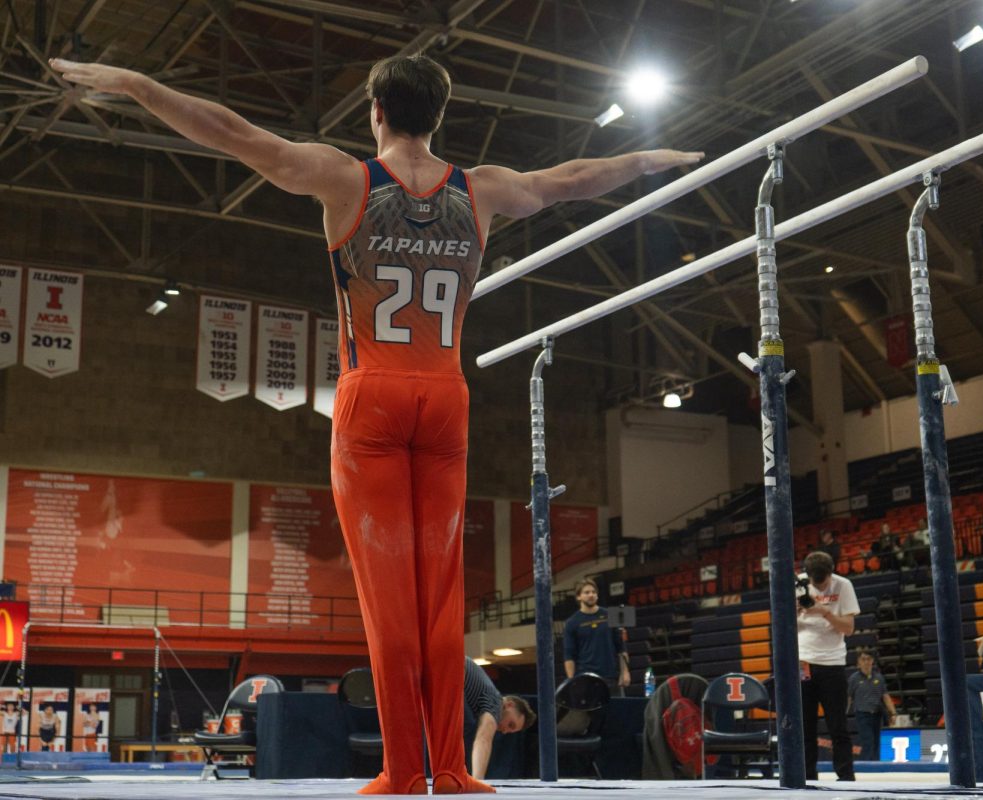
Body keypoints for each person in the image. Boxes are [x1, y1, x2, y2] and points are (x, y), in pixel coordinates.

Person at [49, 54, 700, 796]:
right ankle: (451, 769)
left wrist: (135, 84)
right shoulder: (482, 190)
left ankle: (403, 770)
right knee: (441, 592)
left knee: (388, 596)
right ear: (439, 115)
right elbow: (575, 179)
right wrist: (649, 156)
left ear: (375, 111)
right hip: (445, 396)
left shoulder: (344, 180)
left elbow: (230, 132)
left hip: (372, 398)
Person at [796, 551, 858, 781]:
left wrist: (825, 612)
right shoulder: (798, 583)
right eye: (816, 584)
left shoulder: (844, 586)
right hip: (804, 661)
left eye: (824, 583)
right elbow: (784, 626)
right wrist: (796, 608)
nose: (820, 588)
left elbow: (849, 628)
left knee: (838, 725)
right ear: (808, 576)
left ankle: (846, 776)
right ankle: (806, 776)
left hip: (832, 662)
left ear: (831, 573)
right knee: (805, 726)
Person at [560, 578, 629, 738]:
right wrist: (572, 681)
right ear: (579, 597)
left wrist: (625, 672)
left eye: (593, 592)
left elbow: (621, 647)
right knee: (590, 724)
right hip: (586, 681)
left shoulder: (612, 615)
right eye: (586, 592)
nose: (591, 595)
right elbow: (569, 655)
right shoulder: (572, 623)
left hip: (611, 677)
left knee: (617, 721)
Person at [463, 658, 534, 779]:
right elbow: (483, 739)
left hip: (443, 662)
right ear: (509, 704)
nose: (505, 731)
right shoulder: (496, 702)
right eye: (510, 724)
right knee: (466, 725)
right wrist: (478, 782)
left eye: (509, 731)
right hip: (448, 664)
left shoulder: (483, 695)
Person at [846, 650, 895, 762]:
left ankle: (876, 765)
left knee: (877, 742)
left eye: (868, 659)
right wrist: (844, 714)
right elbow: (848, 697)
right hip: (862, 714)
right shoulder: (854, 679)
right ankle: (866, 766)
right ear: (858, 662)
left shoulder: (879, 678)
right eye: (863, 659)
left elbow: (885, 696)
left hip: (877, 714)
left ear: (872, 661)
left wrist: (893, 712)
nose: (866, 662)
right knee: (868, 741)